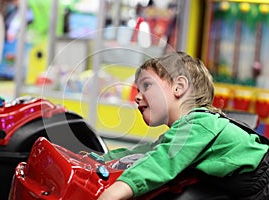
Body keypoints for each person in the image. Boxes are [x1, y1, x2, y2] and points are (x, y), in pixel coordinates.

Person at [98, 51, 269, 200]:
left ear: (179, 87)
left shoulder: (199, 124)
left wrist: (115, 192)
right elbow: (145, 153)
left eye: (147, 86)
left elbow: (161, 162)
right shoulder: (185, 131)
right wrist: (96, 160)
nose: (137, 96)